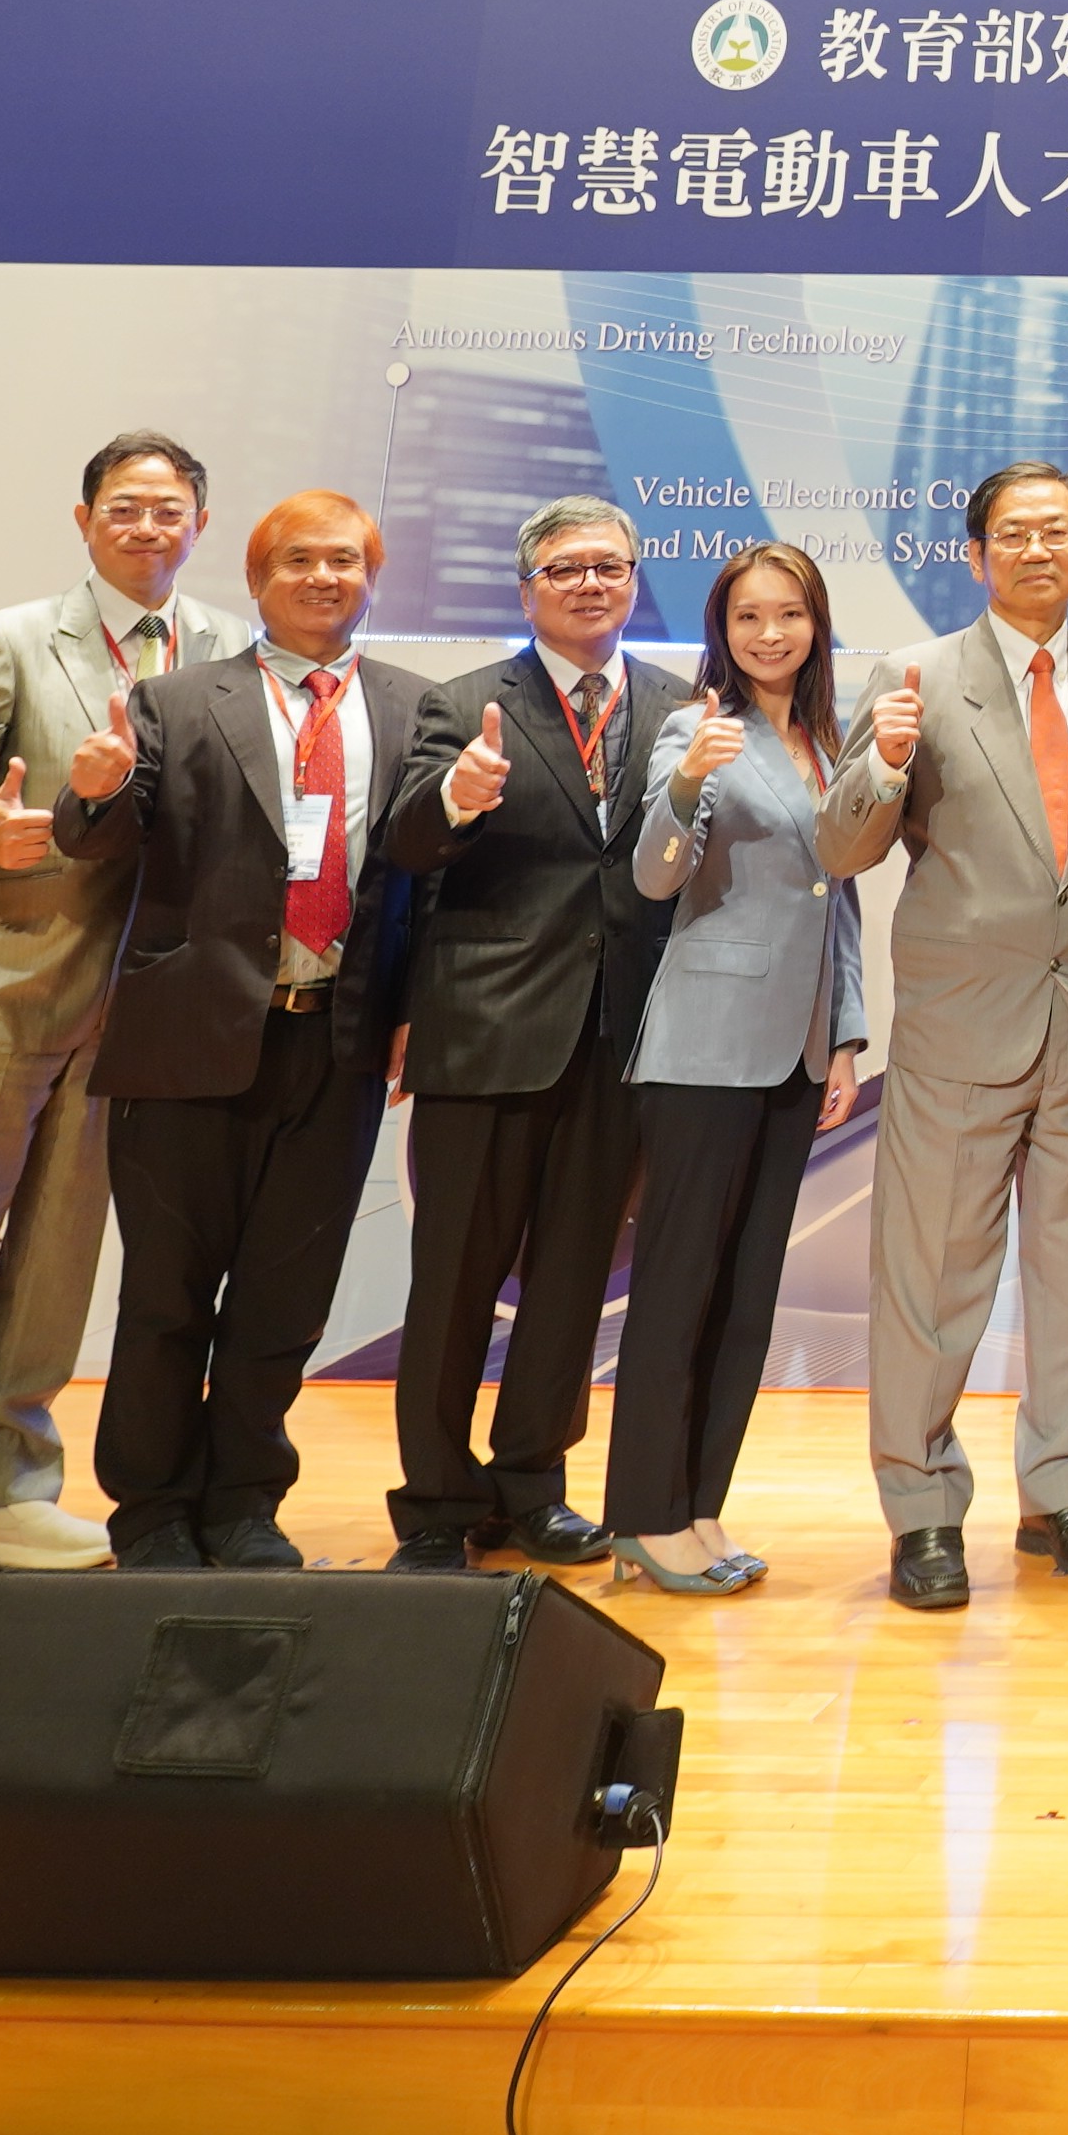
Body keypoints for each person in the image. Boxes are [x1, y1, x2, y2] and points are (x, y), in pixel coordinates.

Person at [0, 431, 231, 1606]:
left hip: (147, 1012)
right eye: (124, 508)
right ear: (85, 523)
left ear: (199, 526)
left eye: (169, 511)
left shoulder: (227, 647)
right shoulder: (12, 640)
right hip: (2, 983)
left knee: (61, 1258)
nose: (147, 528)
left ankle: (14, 1482)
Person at [826, 463, 1068, 1609]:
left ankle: (1063, 1490)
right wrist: (882, 763)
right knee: (933, 1276)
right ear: (976, 553)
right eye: (1012, 534)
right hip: (957, 1023)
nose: (1038, 550)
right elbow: (843, 852)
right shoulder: (914, 675)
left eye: (1058, 532)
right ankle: (925, 1508)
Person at [49, 491, 427, 1570]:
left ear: (370, 577)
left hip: (336, 1044)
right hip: (188, 1042)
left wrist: (411, 1018)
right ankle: (154, 1508)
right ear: (257, 580)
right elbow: (106, 833)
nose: (324, 578)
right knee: (167, 1295)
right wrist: (93, 794)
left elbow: (426, 885)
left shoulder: (412, 707)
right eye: (298, 560)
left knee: (284, 1297)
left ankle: (246, 1501)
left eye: (346, 561)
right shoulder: (177, 698)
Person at [375, 497, 686, 1571]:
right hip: (488, 1034)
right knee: (456, 1279)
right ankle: (432, 1502)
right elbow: (408, 844)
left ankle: (532, 1486)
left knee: (570, 1280)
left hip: (621, 1042)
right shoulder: (462, 704)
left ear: (636, 580)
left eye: (609, 566)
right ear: (526, 591)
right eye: (566, 570)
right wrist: (456, 800)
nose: (590, 583)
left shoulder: (681, 706)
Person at [612, 538, 870, 1596]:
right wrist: (679, 791)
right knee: (678, 1288)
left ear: (815, 624)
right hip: (706, 1047)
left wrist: (848, 1035)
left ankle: (699, 1508)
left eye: (790, 615)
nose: (770, 635)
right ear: (722, 630)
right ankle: (641, 1516)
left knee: (745, 1296)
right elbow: (653, 875)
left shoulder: (827, 733)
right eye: (749, 617)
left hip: (801, 1048)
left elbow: (838, 897)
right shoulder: (695, 727)